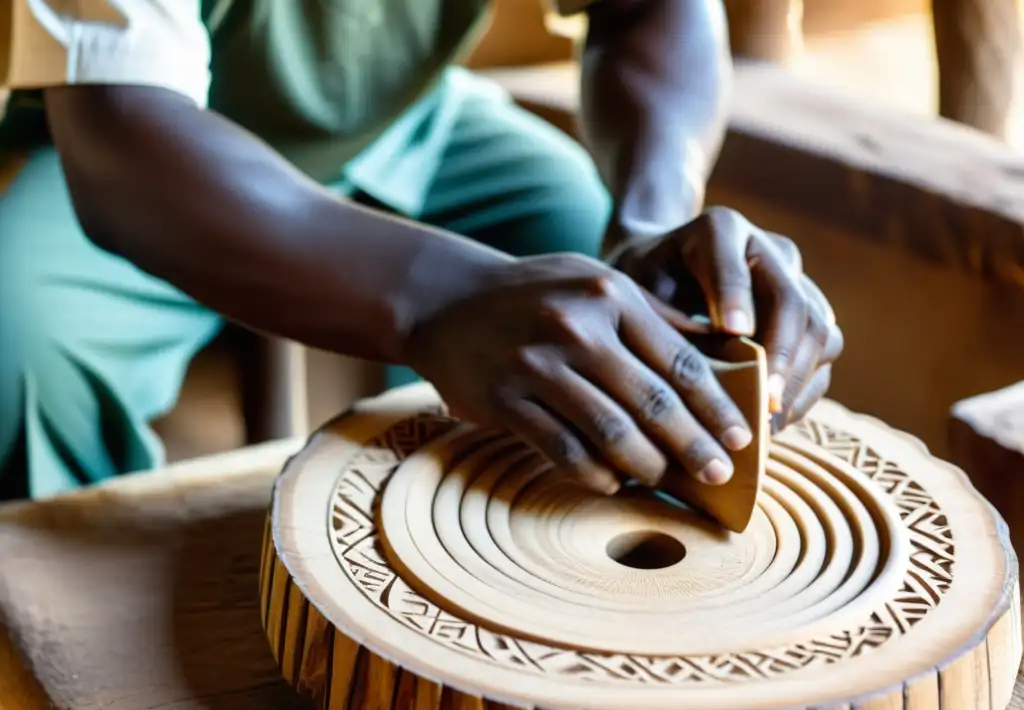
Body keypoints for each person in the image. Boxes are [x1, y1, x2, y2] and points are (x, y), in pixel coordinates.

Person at [0, 0, 842, 503]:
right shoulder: (122, 138)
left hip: (403, 122)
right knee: (18, 343)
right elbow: (116, 126)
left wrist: (649, 224)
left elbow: (648, 11)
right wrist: (438, 301)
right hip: (135, 148)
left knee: (606, 284)